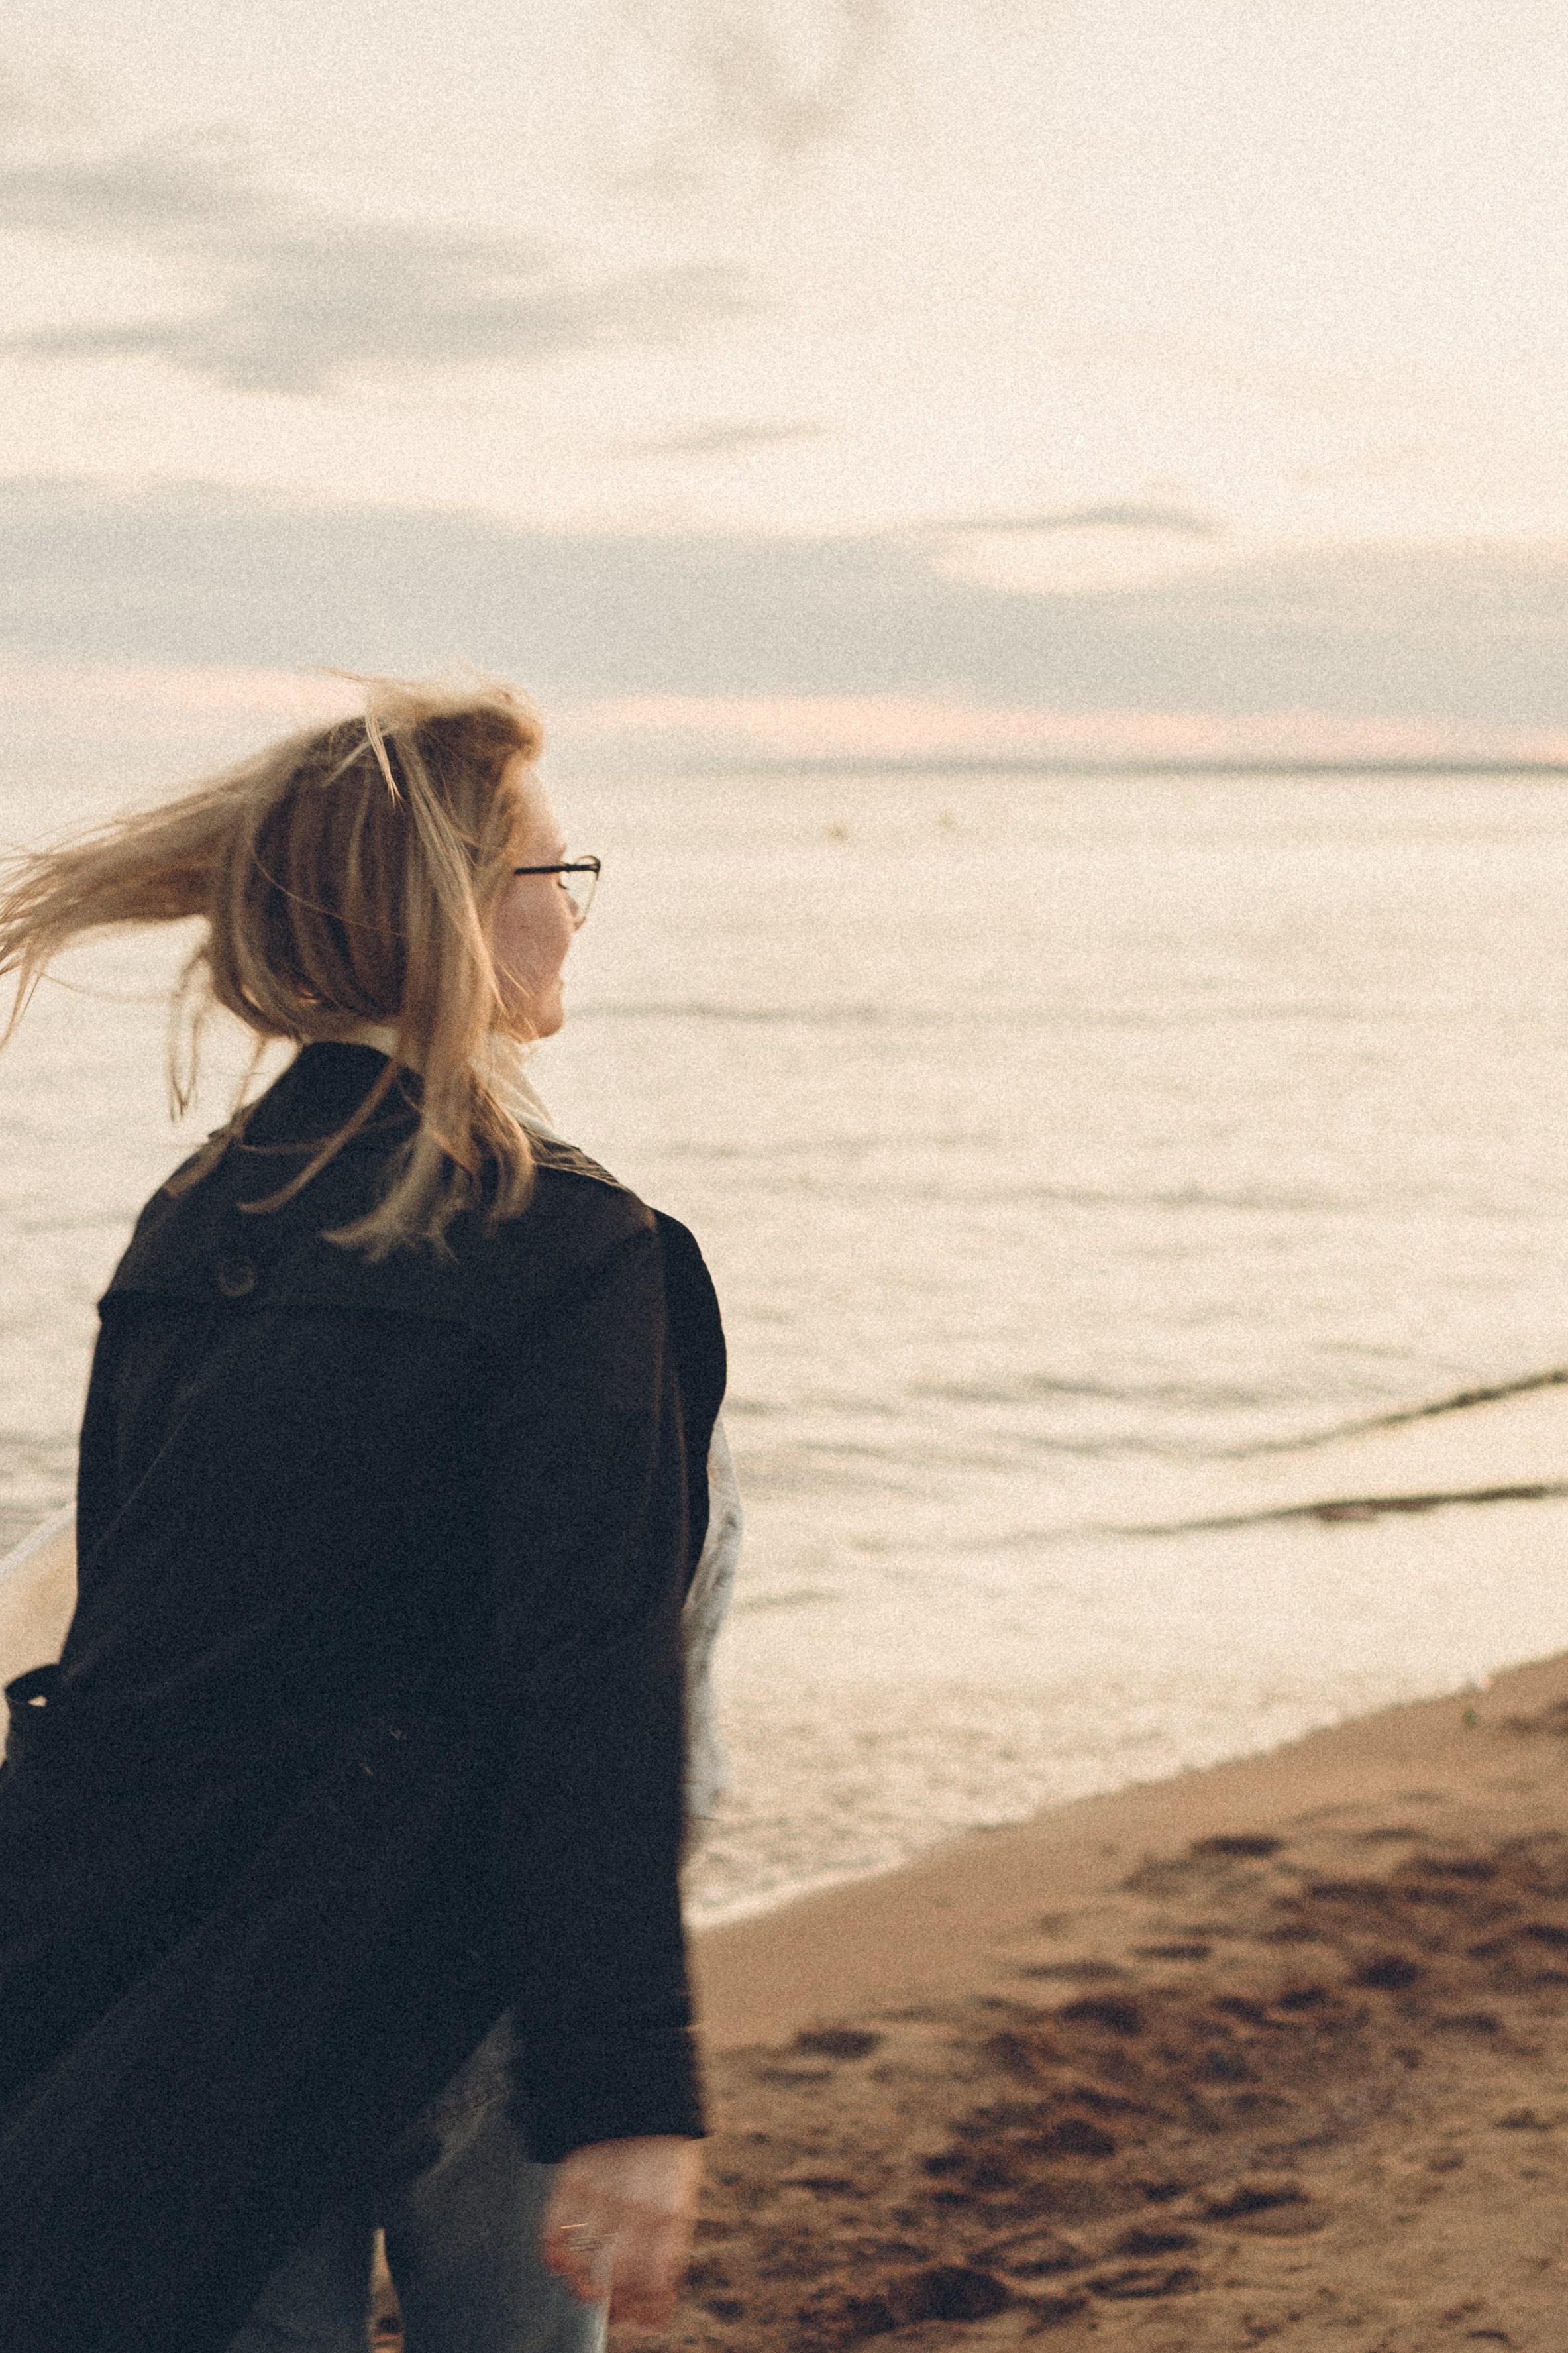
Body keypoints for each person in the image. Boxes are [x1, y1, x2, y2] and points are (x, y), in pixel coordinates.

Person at [0, 677, 740, 2353]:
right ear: (456, 920)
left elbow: (127, 1634)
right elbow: (594, 1688)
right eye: (555, 877)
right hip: (453, 1975)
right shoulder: (578, 1255)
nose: (572, 914)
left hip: (205, 1973)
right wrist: (624, 2086)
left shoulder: (193, 1220)